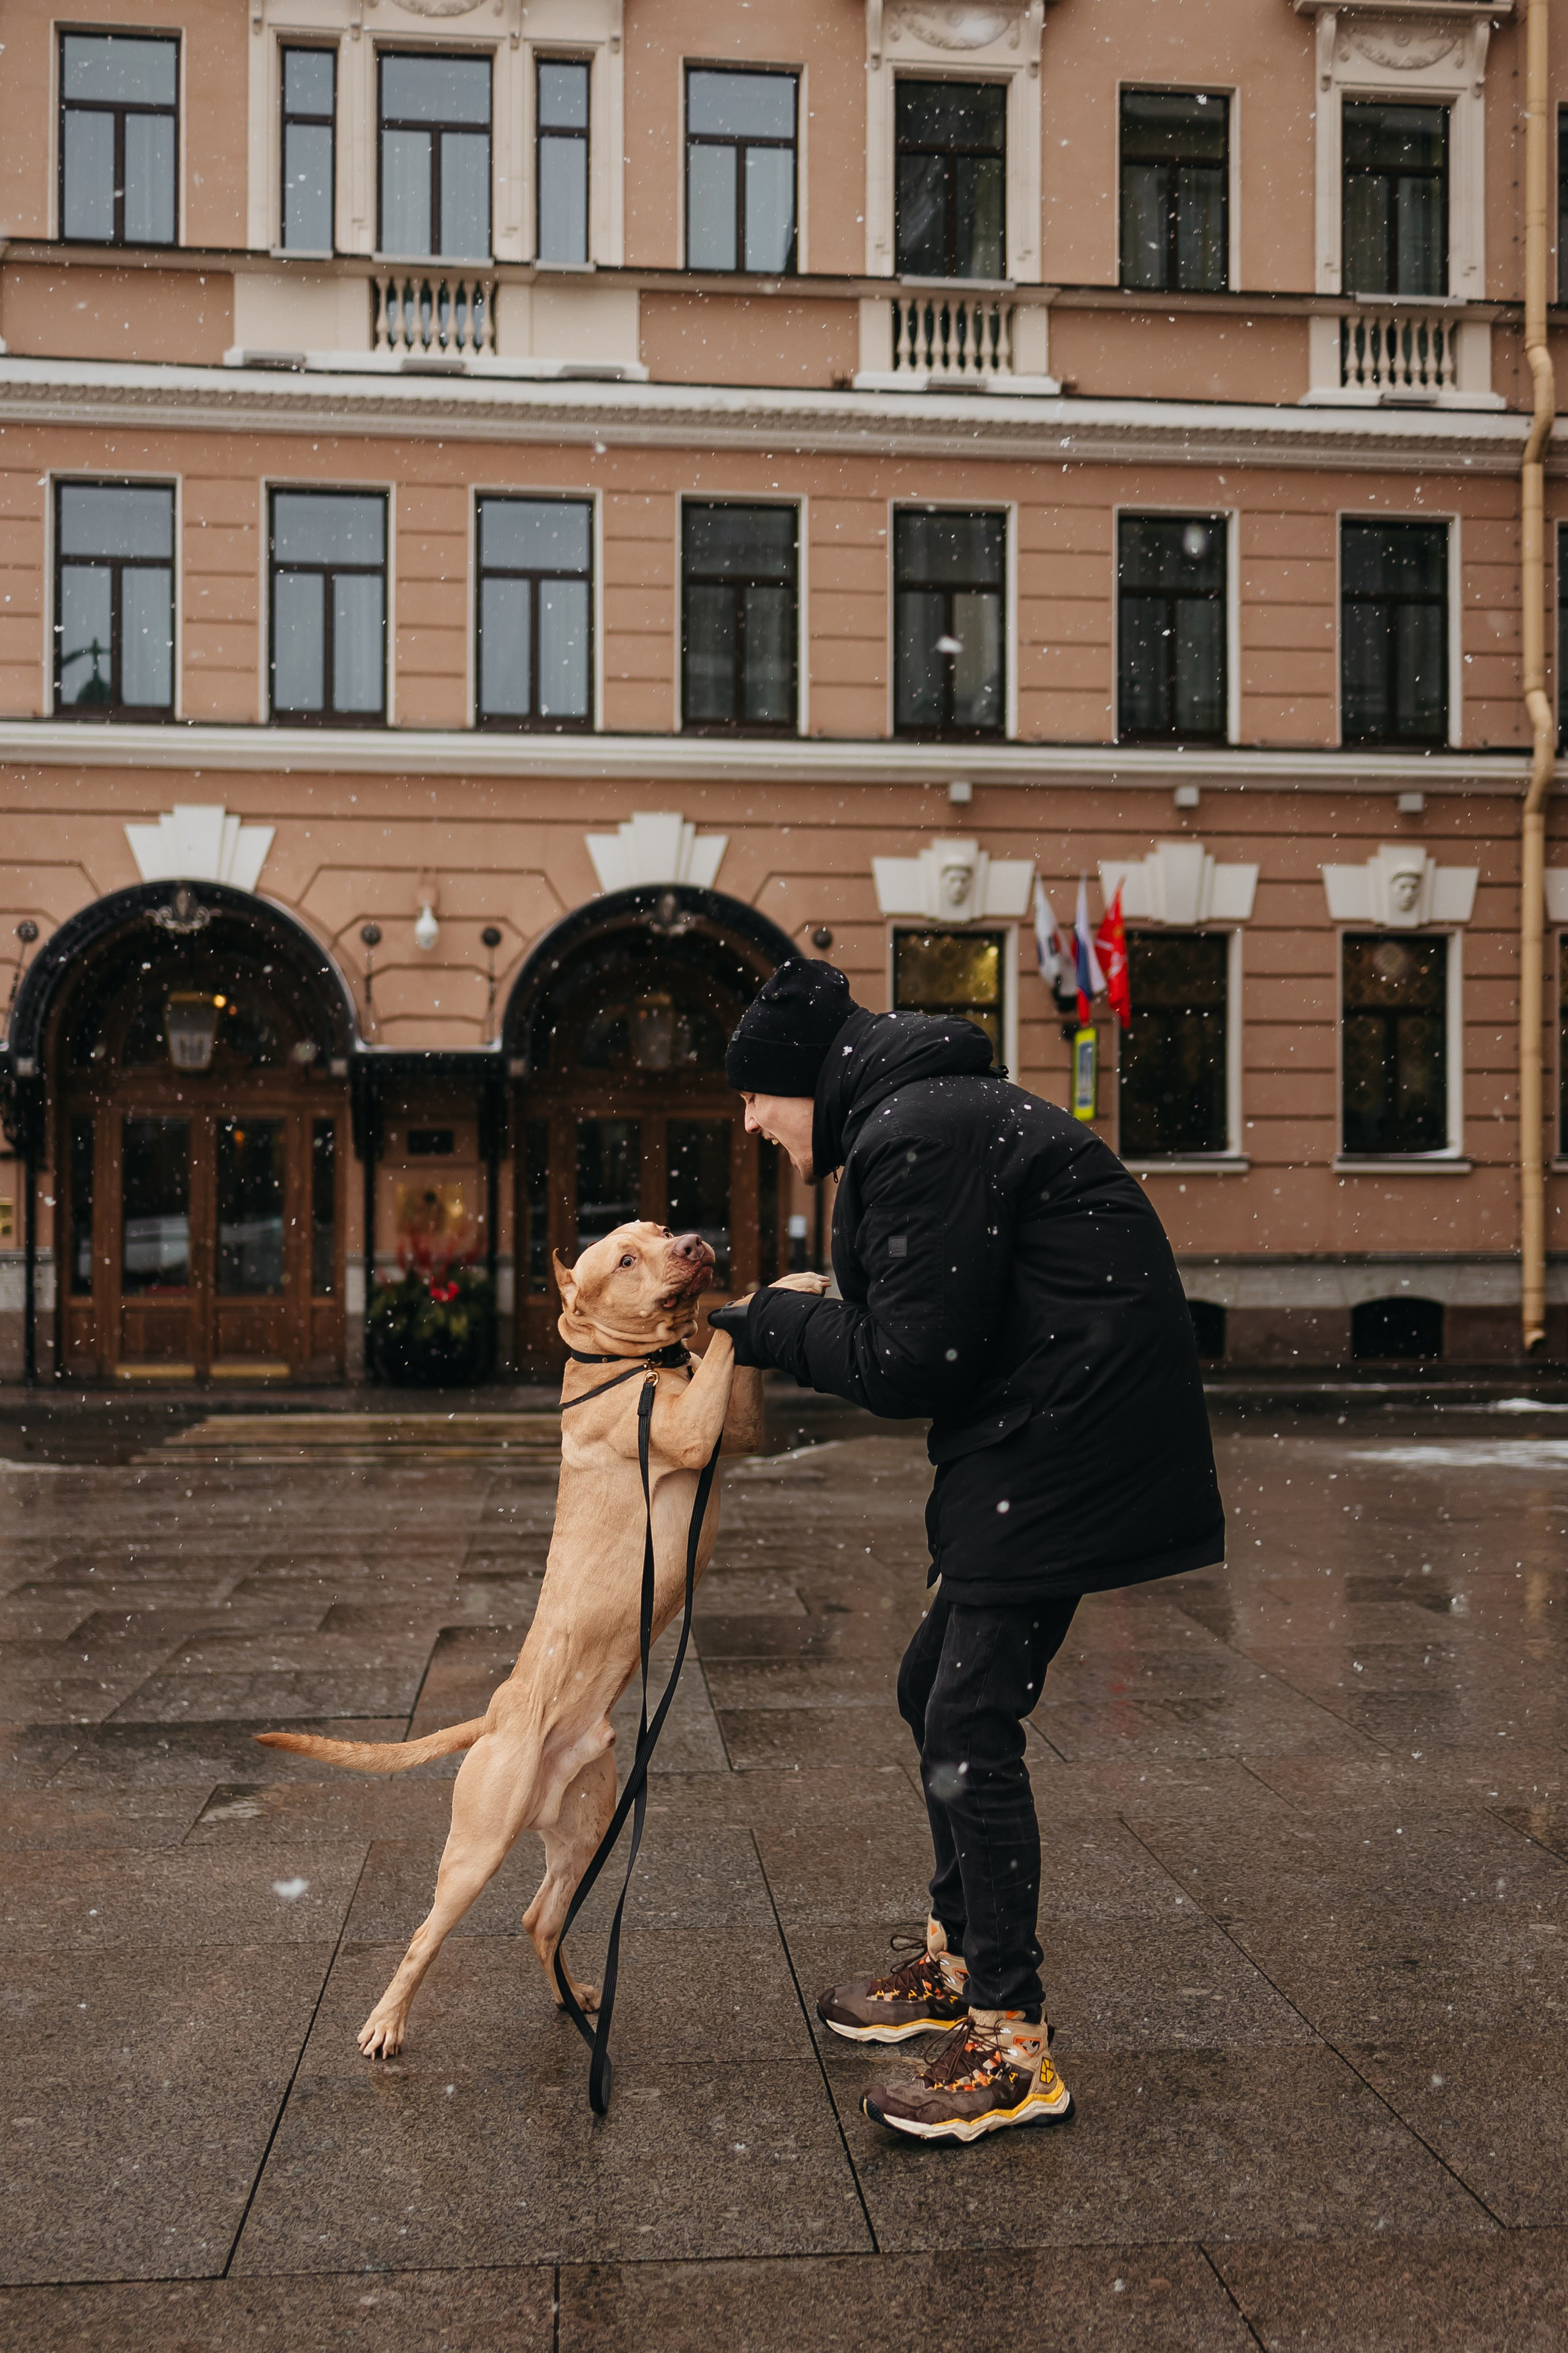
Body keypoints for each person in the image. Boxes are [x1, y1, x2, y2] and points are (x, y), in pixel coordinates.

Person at [708, 957, 1224, 2146]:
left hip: (1066, 1437)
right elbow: (929, 1305)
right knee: (924, 1691)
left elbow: (911, 1362)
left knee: (964, 1719)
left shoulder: (916, 1129)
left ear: (799, 1078)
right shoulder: (920, 1116)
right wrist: (809, 1301)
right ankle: (953, 1959)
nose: (746, 1119)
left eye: (752, 1095)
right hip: (1052, 1422)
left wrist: (775, 1323)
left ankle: (1007, 2039)